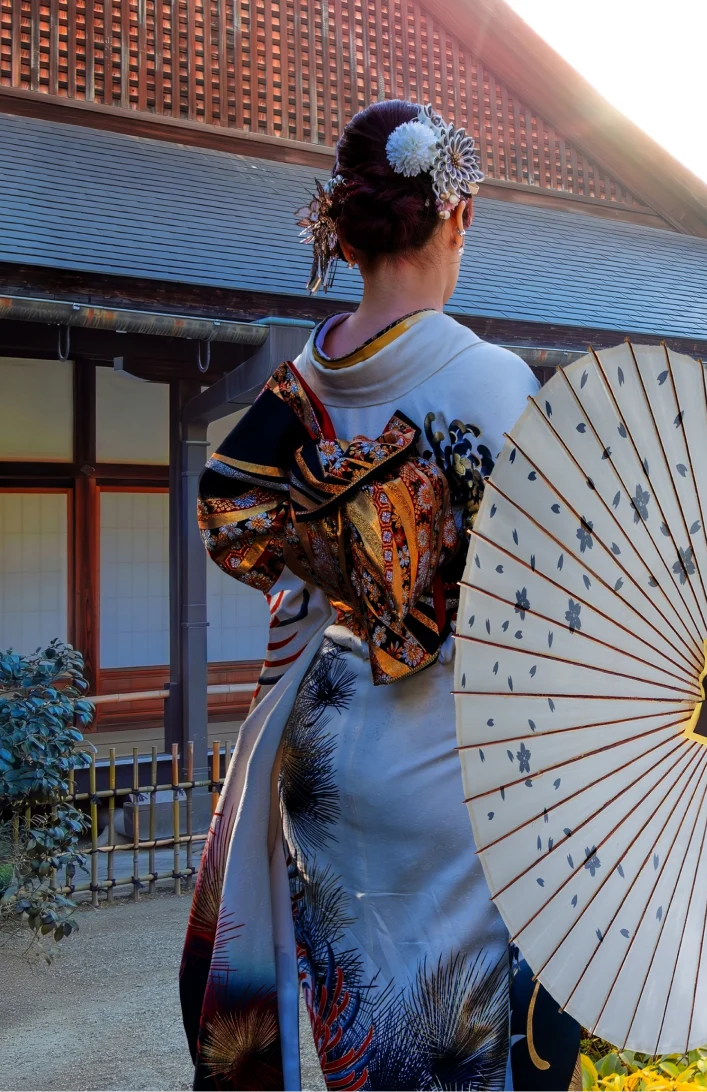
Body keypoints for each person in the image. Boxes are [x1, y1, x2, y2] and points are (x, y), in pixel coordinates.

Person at [181, 100, 580, 1092]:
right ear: (458, 216)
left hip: (319, 755)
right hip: (446, 762)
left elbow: (232, 521)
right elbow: (553, 610)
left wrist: (344, 567)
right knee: (461, 1051)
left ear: (348, 232)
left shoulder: (299, 384)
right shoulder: (490, 382)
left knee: (365, 1037)